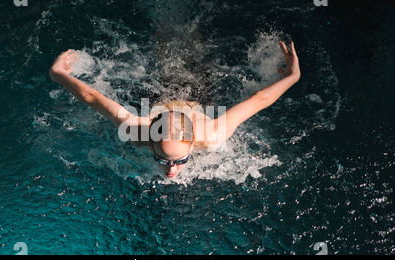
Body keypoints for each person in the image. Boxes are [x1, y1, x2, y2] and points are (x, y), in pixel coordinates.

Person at [49, 41, 300, 178]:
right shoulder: (138, 133)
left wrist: (293, 77)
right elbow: (92, 97)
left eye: (181, 160)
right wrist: (57, 74)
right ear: (150, 145)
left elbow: (260, 99)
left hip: (195, 94)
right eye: (161, 159)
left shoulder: (211, 134)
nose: (171, 170)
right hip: (158, 97)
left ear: (193, 145)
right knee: (166, 47)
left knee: (194, 51)